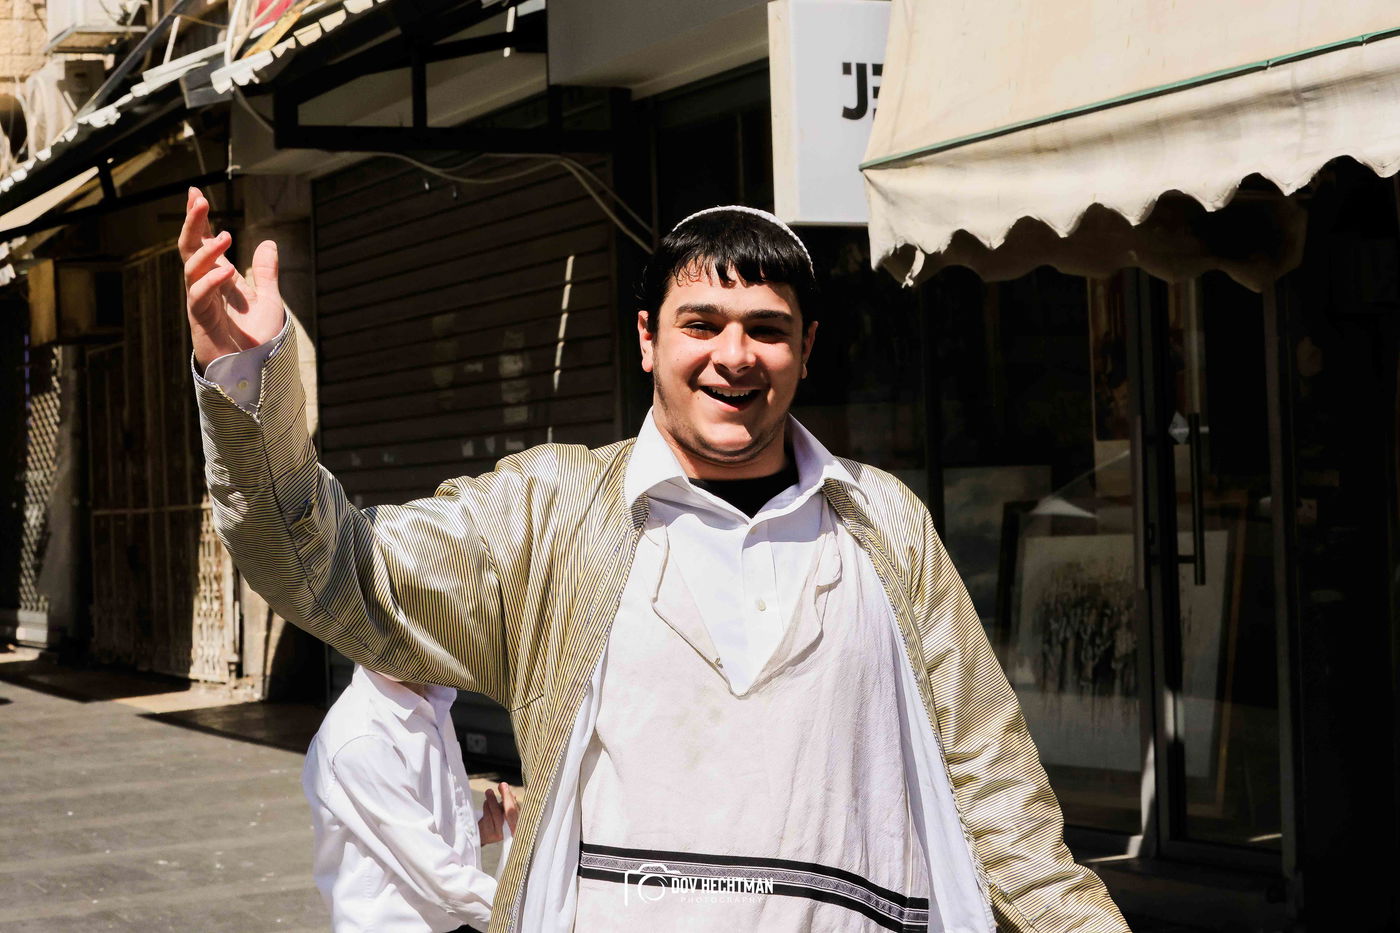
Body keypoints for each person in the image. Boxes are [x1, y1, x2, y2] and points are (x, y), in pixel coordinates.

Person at [180, 187, 1130, 932]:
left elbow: (997, 795)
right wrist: (248, 388)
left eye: (767, 328)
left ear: (807, 349)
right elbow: (332, 571)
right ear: (646, 339)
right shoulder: (551, 514)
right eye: (703, 324)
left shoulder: (883, 526)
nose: (736, 355)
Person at [302, 663, 519, 932]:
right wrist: (528, 916)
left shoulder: (431, 701)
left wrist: (477, 831)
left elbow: (419, 825)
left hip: (450, 919)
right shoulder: (363, 736)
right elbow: (439, 877)